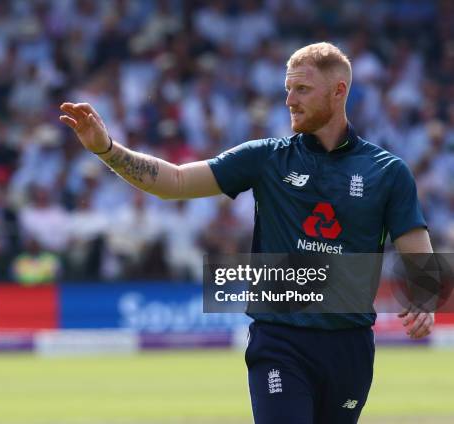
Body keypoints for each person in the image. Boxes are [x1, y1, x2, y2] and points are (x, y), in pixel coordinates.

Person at [59, 42, 434, 424]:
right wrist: (107, 149)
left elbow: (415, 244)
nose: (289, 99)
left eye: (302, 89)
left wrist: (425, 296)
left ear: (339, 92)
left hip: (350, 347)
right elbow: (173, 181)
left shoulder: (387, 172)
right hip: (279, 340)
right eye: (287, 88)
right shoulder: (266, 157)